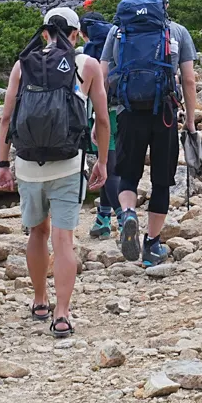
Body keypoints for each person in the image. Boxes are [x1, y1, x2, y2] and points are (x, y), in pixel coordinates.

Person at [0, 6, 109, 338]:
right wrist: (101, 161)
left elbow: (6, 120)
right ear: (75, 34)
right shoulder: (87, 66)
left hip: (28, 164)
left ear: (44, 33)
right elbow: (101, 119)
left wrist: (2, 165)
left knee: (37, 234)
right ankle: (62, 313)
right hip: (69, 163)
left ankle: (39, 300)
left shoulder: (23, 64)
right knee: (64, 239)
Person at [101, 0, 198, 268]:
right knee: (161, 181)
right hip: (165, 112)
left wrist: (103, 116)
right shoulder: (176, 31)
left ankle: (128, 212)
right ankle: (152, 246)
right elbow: (189, 80)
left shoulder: (117, 31)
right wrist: (190, 121)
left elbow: (104, 75)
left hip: (128, 110)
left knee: (128, 174)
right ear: (165, 5)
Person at [77, 13, 123, 239]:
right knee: (107, 167)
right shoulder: (118, 38)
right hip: (126, 109)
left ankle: (125, 219)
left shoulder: (90, 52)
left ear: (83, 33)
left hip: (104, 114)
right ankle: (103, 220)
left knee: (109, 168)